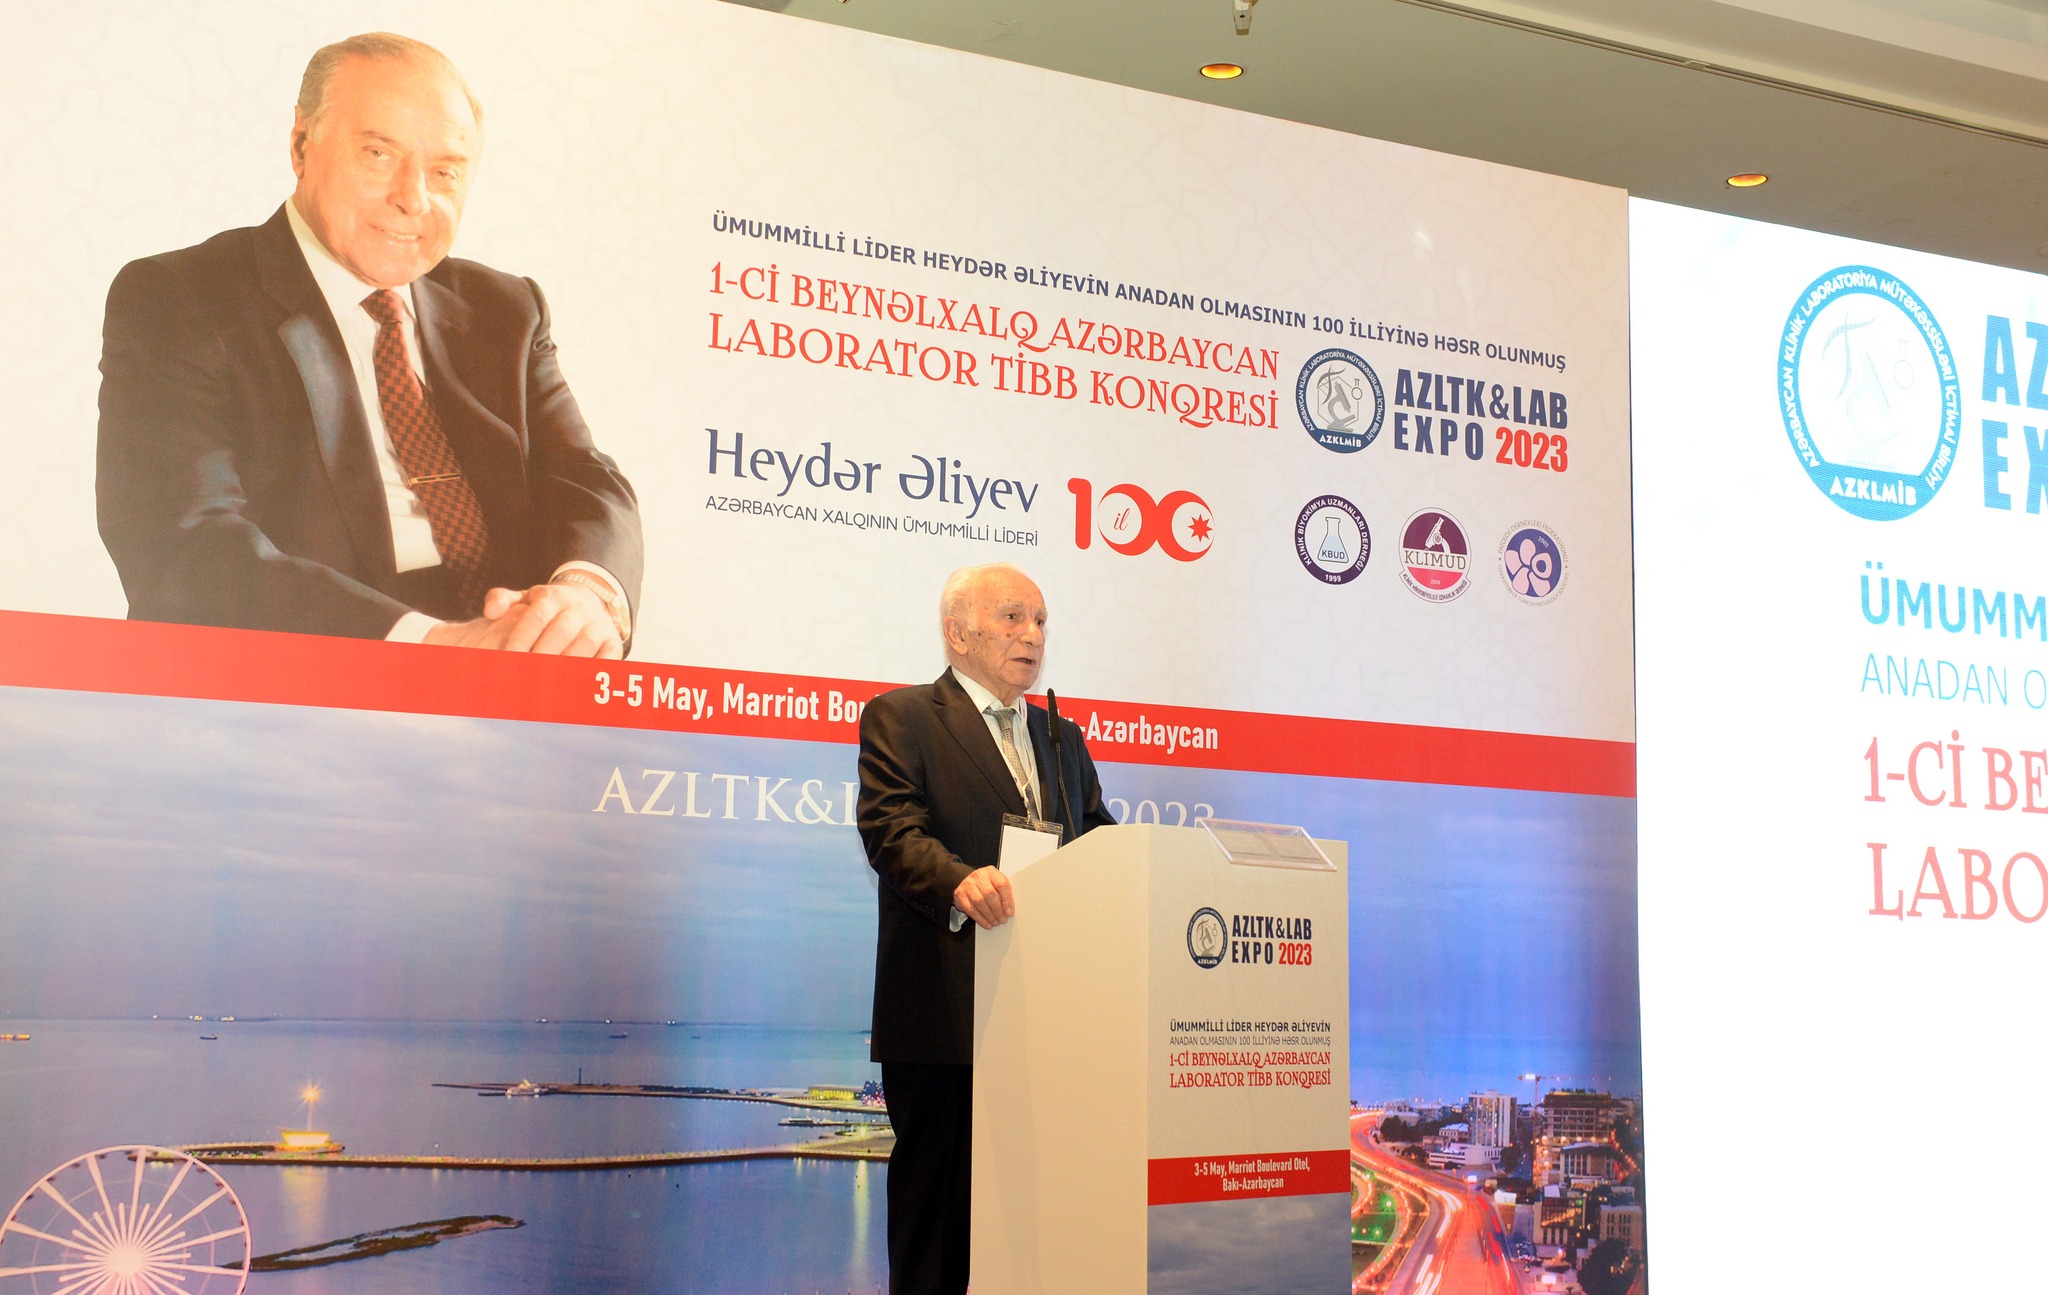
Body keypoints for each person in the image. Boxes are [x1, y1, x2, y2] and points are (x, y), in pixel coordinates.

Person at [96, 32, 641, 654]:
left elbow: (583, 475)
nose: (413, 199)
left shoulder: (507, 308)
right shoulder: (181, 297)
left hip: (514, 657)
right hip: (307, 666)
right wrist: (428, 645)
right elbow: (181, 542)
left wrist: (582, 596)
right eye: (379, 154)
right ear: (302, 144)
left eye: (444, 172)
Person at [856, 562, 1116, 1295]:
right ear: (958, 632)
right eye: (1011, 617)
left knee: (1036, 1223)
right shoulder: (903, 717)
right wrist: (958, 881)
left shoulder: (1063, 738)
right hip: (947, 1013)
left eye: (1040, 621)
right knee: (938, 1228)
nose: (1031, 635)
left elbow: (1097, 837)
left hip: (1045, 1018)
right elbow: (891, 830)